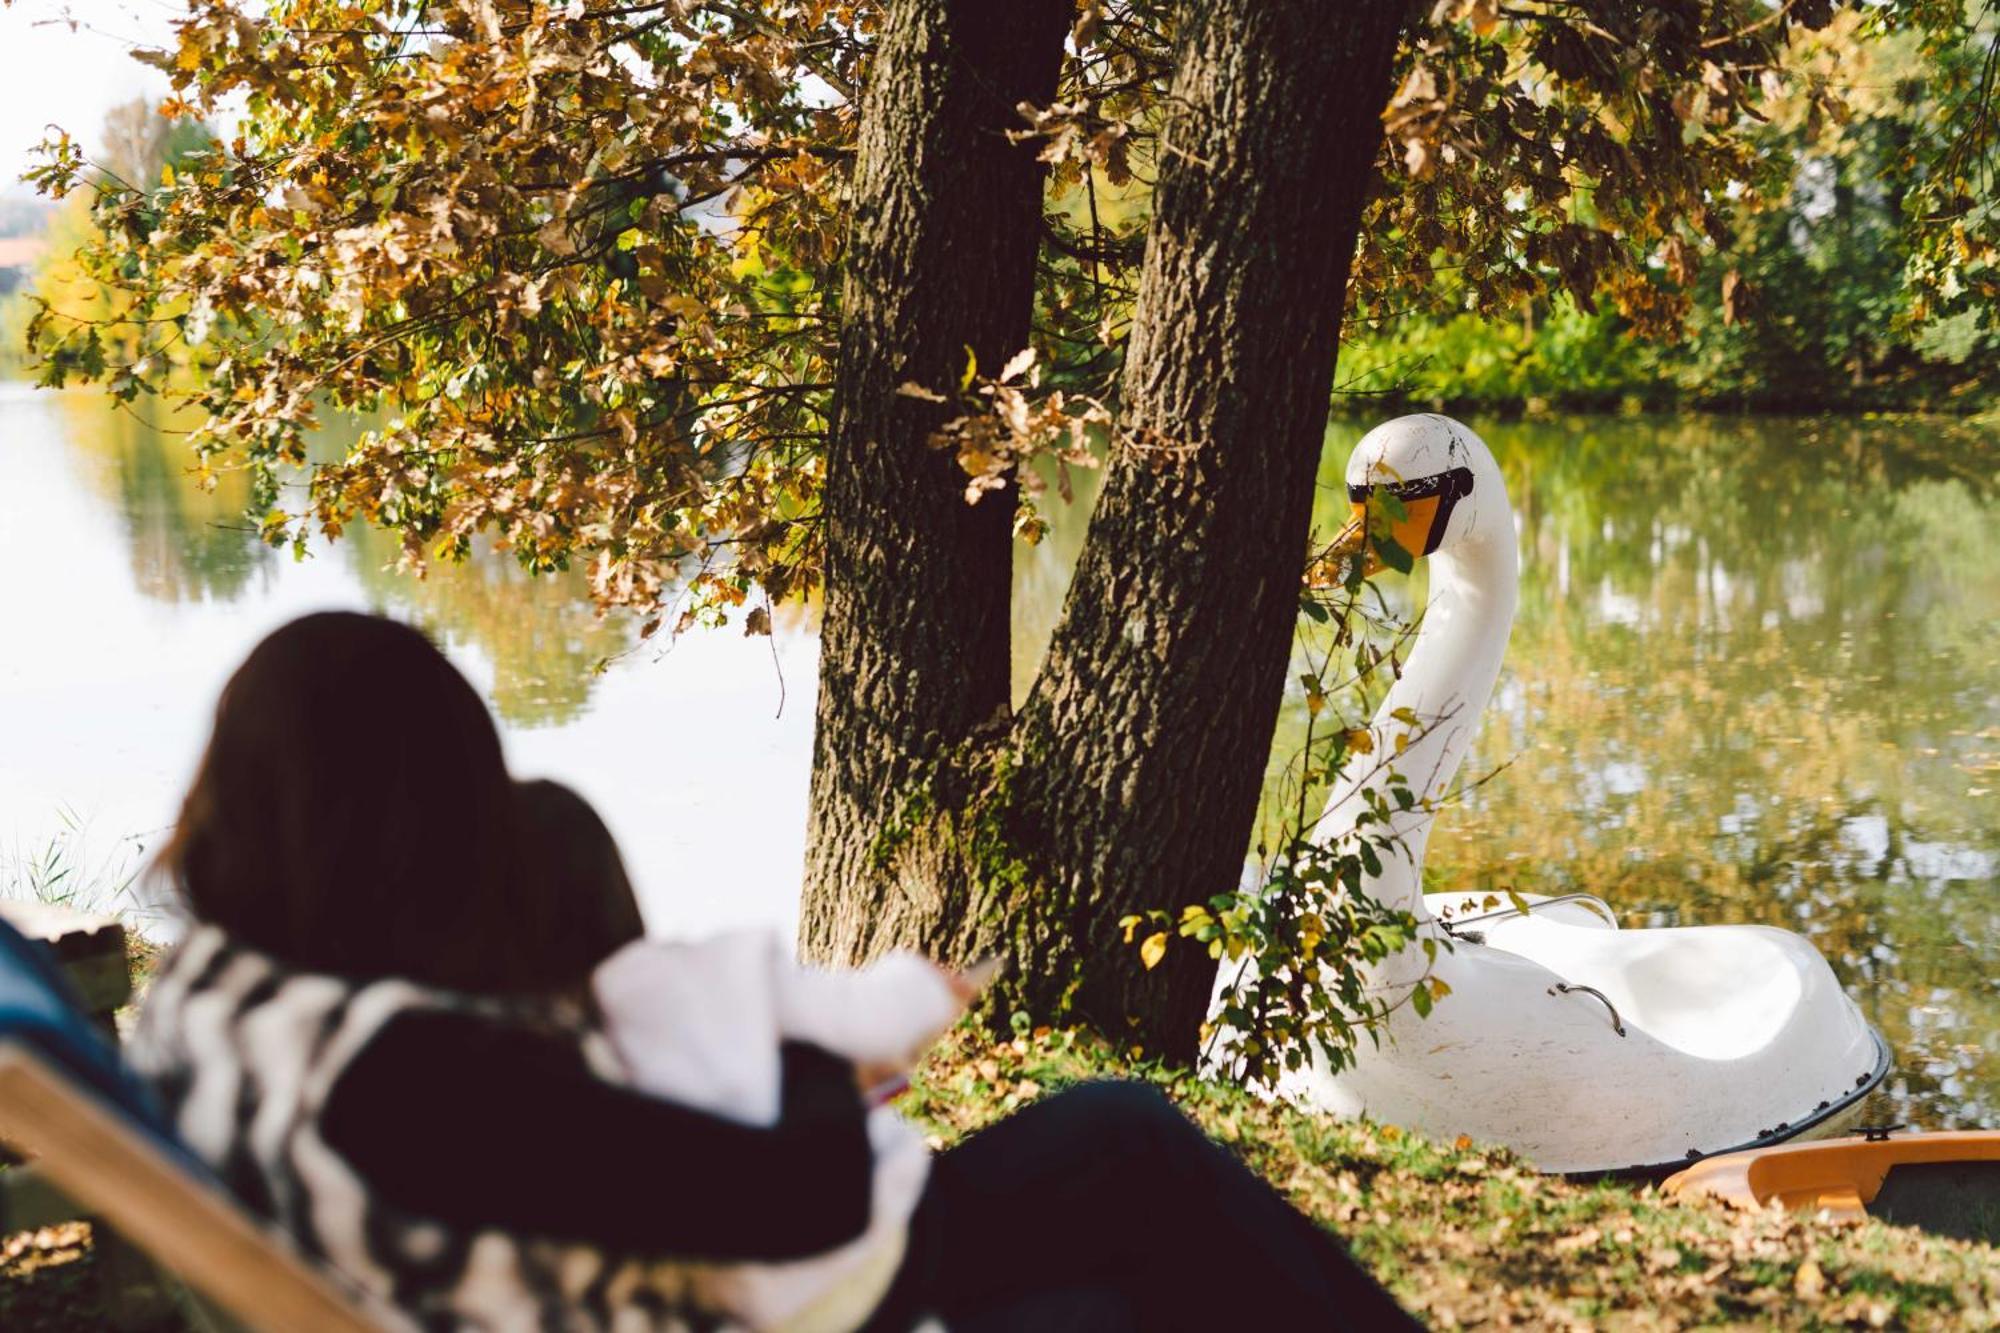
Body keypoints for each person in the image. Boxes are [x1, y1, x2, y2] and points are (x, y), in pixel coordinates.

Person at [128, 611, 1420, 1332]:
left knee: (1118, 1175)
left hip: (693, 1272)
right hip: (744, 1299)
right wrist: (814, 1046)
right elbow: (795, 1195)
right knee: (1116, 1228)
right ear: (402, 828)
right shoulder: (400, 1080)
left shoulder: (202, 998)